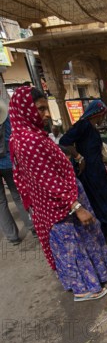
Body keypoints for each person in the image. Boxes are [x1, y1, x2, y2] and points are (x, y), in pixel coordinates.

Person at [9, 86, 107, 301]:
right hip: (58, 205)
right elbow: (48, 181)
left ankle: (96, 276)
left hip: (57, 201)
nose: (46, 114)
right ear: (25, 110)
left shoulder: (26, 135)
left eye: (46, 108)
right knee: (72, 246)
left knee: (81, 239)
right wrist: (76, 207)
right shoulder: (30, 141)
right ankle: (85, 289)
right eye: (40, 109)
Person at [59, 100, 107, 241]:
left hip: (98, 170)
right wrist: (78, 157)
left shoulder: (91, 127)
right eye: (103, 115)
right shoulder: (83, 125)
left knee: (105, 200)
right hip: (90, 172)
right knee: (101, 201)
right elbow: (64, 141)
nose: (103, 118)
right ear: (97, 114)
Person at [0, 99, 36, 244]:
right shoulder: (7, 119)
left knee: (1, 202)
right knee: (18, 195)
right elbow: (14, 137)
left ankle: (12, 236)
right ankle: (32, 226)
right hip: (9, 162)